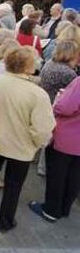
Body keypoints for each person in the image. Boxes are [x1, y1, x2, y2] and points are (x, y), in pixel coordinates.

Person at [0, 46, 56, 233]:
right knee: (13, 186)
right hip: (22, 149)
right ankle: (5, 221)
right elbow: (43, 128)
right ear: (29, 66)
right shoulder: (38, 94)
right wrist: (38, 143)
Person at [29, 74, 80, 223]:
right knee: (75, 175)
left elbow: (65, 107)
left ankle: (51, 210)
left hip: (67, 137)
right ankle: (65, 208)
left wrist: (58, 100)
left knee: (57, 175)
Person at [37, 40, 79, 176]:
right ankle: (44, 168)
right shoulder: (69, 74)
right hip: (56, 106)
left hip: (45, 101)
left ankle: (41, 165)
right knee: (51, 137)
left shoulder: (50, 63)